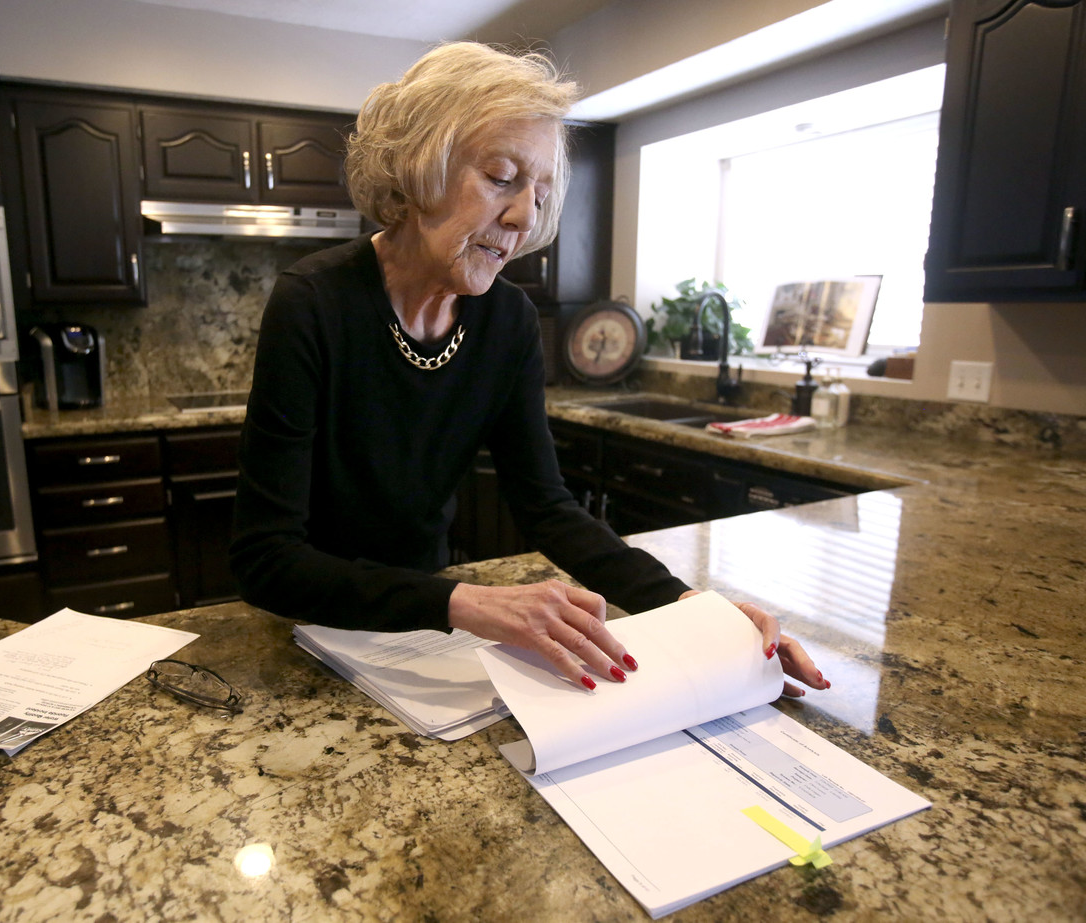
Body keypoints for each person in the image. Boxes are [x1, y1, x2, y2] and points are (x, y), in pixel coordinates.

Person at [230, 41, 827, 698]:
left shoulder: (508, 320)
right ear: (416, 165)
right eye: (500, 177)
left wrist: (690, 607)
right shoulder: (314, 302)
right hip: (310, 628)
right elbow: (267, 559)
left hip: (421, 623)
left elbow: (547, 506)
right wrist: (468, 602)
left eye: (540, 194)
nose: (522, 217)